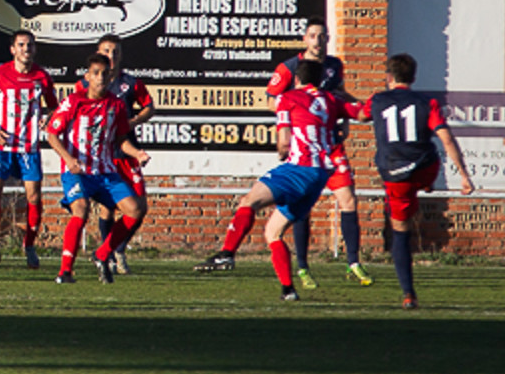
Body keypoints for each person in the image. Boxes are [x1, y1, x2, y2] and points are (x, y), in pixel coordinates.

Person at [196, 58, 351, 300]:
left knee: (249, 201)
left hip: (298, 168)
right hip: (321, 175)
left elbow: (283, 143)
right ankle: (288, 290)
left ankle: (227, 252)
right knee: (273, 232)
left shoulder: (288, 98)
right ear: (320, 80)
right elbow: (359, 111)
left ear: (296, 79)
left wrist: (282, 152)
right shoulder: (331, 100)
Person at [367, 53, 476, 309]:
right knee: (427, 161)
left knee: (400, 229)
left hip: (395, 174)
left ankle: (408, 294)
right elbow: (446, 138)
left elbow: (358, 113)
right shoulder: (427, 103)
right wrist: (463, 175)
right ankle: (424, 187)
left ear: (389, 77)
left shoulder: (377, 101)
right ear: (413, 77)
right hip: (425, 168)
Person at [267, 21, 367, 288]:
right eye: (313, 36)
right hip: (304, 149)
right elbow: (272, 99)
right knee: (302, 207)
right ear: (305, 39)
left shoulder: (334, 65)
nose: (318, 41)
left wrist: (346, 117)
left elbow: (340, 96)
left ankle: (353, 264)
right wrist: (294, 124)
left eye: (322, 36)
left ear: (328, 38)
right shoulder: (290, 68)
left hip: (331, 145)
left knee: (348, 199)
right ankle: (302, 267)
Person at [43, 54, 148, 284]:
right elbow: (51, 134)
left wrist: (137, 153)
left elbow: (121, 140)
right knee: (81, 210)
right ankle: (65, 271)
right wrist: (68, 159)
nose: (101, 78)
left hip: (106, 171)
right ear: (87, 76)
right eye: (96, 73)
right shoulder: (73, 101)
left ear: (111, 77)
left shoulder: (116, 105)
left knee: (135, 209)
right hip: (77, 171)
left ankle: (102, 254)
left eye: (105, 74)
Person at [0, 30, 57, 268]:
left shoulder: (42, 76)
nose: (26, 49)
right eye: (21, 45)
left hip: (29, 147)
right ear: (13, 49)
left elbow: (54, 108)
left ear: (34, 49)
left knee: (34, 196)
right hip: (1, 145)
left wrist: (48, 118)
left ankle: (29, 246)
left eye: (30, 45)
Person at [91, 33, 155, 272]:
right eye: (107, 51)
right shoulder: (88, 84)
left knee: (139, 208)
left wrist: (135, 121)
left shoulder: (130, 82)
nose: (111, 55)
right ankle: (106, 256)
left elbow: (150, 107)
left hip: (128, 151)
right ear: (99, 53)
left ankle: (116, 247)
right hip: (104, 155)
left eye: (116, 51)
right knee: (107, 206)